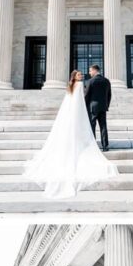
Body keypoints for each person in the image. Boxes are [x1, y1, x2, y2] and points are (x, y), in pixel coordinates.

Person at [22, 70, 117, 198]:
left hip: (73, 113)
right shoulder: (80, 85)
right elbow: (82, 101)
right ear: (74, 76)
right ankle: (103, 145)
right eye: (79, 75)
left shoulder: (71, 86)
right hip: (81, 112)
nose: (82, 76)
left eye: (82, 74)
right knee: (98, 127)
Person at [83, 65, 112, 151]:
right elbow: (109, 95)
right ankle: (105, 146)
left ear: (95, 70)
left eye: (90, 71)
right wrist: (106, 105)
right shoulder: (106, 81)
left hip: (93, 107)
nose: (89, 73)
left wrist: (85, 105)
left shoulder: (90, 81)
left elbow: (86, 95)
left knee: (92, 126)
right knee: (103, 126)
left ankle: (93, 146)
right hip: (103, 107)